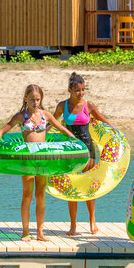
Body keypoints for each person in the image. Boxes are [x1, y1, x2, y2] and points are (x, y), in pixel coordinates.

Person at [0, 84, 76, 242]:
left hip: (42, 161)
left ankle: (40, 232)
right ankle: (25, 231)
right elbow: (3, 131)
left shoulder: (46, 115)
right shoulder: (21, 117)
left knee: (40, 195)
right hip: (28, 160)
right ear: (25, 99)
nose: (35, 102)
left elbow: (62, 130)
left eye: (38, 99)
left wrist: (75, 141)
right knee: (27, 195)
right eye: (32, 99)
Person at [54, 72, 112, 237]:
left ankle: (92, 220)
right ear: (69, 90)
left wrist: (117, 133)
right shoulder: (62, 106)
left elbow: (103, 121)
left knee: (87, 186)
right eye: (78, 90)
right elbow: (52, 123)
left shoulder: (88, 106)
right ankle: (73, 226)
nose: (81, 93)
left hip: (87, 151)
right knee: (71, 187)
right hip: (70, 151)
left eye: (83, 90)